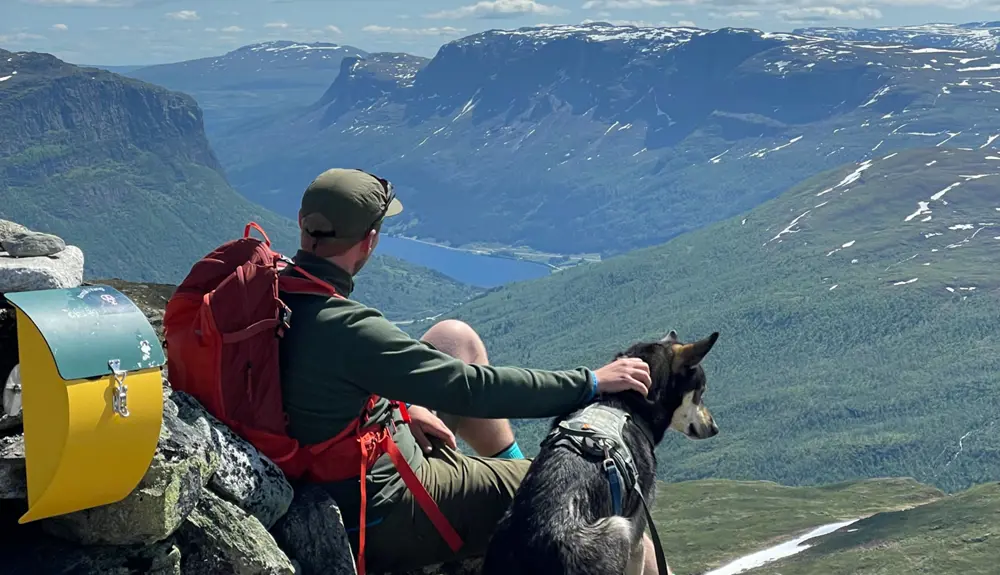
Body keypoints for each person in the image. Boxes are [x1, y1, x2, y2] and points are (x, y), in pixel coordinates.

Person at [278, 168, 659, 574]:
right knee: (584, 503)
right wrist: (592, 381)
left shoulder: (278, 287)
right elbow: (473, 388)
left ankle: (507, 461)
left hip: (335, 464)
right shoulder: (344, 327)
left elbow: (322, 381)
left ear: (304, 225)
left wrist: (399, 404)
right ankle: (512, 478)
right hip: (383, 506)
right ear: (369, 241)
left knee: (453, 339)